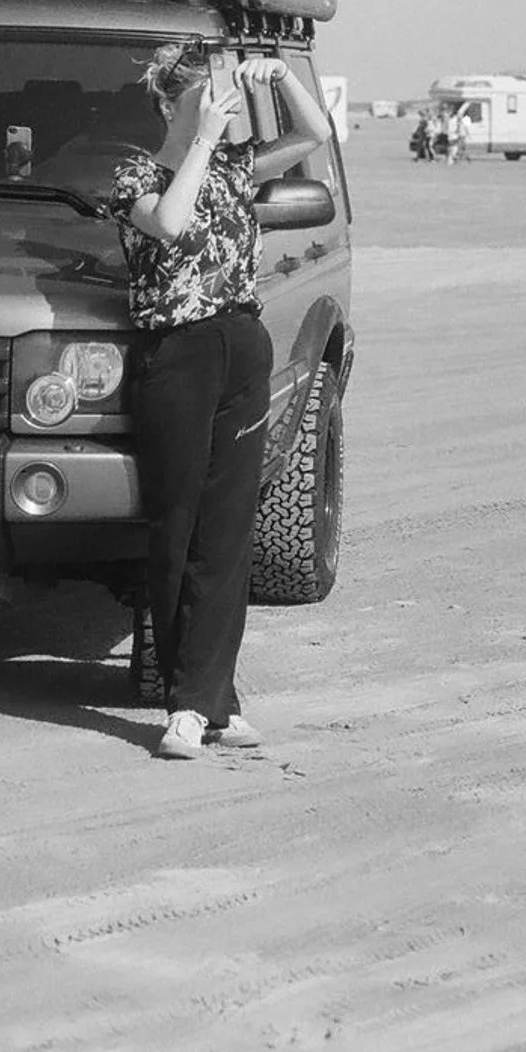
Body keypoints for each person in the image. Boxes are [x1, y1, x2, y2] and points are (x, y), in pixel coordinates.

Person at [109, 37, 333, 761]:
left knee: (228, 531)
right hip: (177, 352)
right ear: (177, 99)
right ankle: (187, 703)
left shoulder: (237, 165)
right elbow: (169, 223)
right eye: (216, 89)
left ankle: (215, 698)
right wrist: (200, 137)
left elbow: (315, 136)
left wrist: (280, 81)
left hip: (241, 343)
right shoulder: (135, 172)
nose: (228, 102)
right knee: (176, 525)